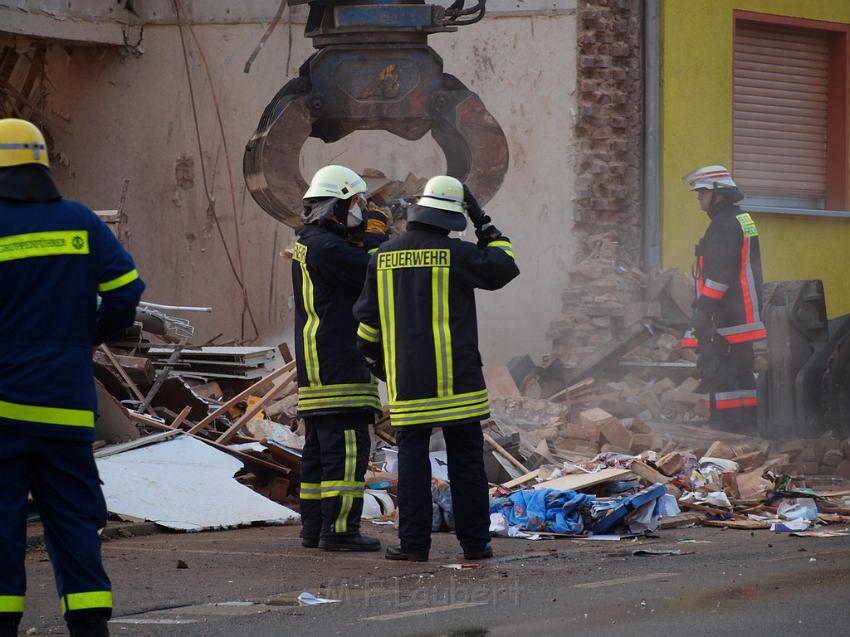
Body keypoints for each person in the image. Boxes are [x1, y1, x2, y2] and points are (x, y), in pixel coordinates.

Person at [0, 119, 145, 637]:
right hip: (66, 404)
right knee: (75, 521)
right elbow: (127, 290)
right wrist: (86, 335)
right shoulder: (79, 221)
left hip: (5, 408)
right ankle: (89, 625)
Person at [354, 175, 519, 561]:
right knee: (467, 465)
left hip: (409, 384)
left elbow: (365, 328)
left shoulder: (381, 258)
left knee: (412, 465)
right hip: (459, 384)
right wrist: (485, 222)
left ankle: (414, 546)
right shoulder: (457, 255)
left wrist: (382, 366)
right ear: (452, 219)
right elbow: (505, 265)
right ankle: (476, 546)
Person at [293, 164, 389, 552]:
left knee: (319, 454)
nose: (362, 211)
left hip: (318, 361)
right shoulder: (329, 249)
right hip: (338, 362)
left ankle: (314, 528)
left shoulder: (312, 241)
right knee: (347, 453)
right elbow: (375, 273)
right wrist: (377, 237)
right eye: (358, 203)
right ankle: (340, 531)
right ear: (340, 204)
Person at [681, 165, 766, 433]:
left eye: (702, 193)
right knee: (741, 375)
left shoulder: (723, 224)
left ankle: (724, 431)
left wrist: (704, 308)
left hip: (726, 316)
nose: (699, 198)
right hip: (744, 315)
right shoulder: (742, 219)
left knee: (719, 373)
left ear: (718, 194)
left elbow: (721, 273)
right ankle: (746, 428)